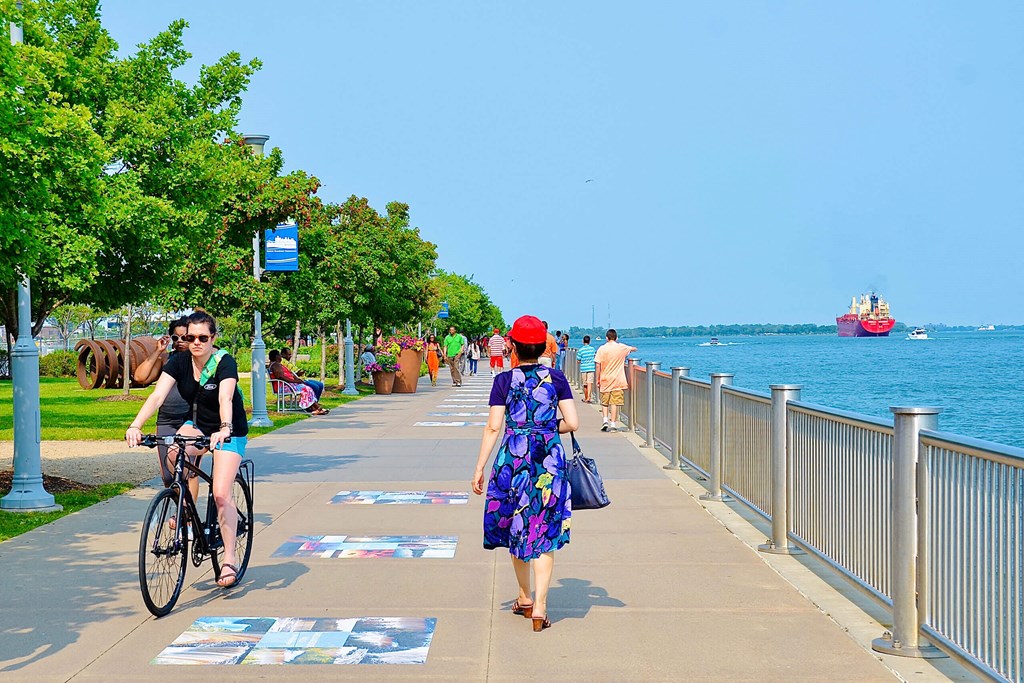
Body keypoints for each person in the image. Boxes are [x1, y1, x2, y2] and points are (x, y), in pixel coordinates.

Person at [125, 311, 248, 588]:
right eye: (190, 337)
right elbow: (157, 395)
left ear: (213, 338)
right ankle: (186, 513)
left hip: (229, 430)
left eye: (203, 338)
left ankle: (229, 558)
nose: (196, 343)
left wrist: (225, 427)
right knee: (173, 453)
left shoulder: (224, 362)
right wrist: (135, 425)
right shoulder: (180, 361)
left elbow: (225, 397)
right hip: (198, 426)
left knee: (219, 493)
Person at [472, 315, 579, 633]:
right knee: (544, 532)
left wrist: (479, 467)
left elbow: (493, 426)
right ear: (543, 345)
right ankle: (541, 609)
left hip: (513, 463)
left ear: (514, 347)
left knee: (518, 525)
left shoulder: (503, 381)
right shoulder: (556, 378)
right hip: (548, 460)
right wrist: (545, 430)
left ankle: (524, 597)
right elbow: (572, 423)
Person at [152, 317, 191, 486]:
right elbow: (140, 377)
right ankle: (180, 508)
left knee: (186, 473)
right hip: (166, 419)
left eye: (185, 337)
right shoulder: (166, 359)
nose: (180, 341)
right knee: (168, 477)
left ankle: (185, 512)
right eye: (176, 338)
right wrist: (157, 352)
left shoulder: (200, 360)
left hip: (190, 420)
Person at [594, 328, 637, 432]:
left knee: (605, 402)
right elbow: (634, 348)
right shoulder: (621, 347)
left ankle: (605, 420)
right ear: (616, 337)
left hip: (605, 379)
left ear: (606, 338)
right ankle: (613, 424)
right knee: (614, 402)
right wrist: (629, 350)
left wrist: (597, 378)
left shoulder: (602, 349)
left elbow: (597, 365)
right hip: (618, 380)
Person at [269, 350, 329, 415]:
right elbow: (281, 377)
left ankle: (315, 409)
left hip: (287, 385)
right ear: (276, 356)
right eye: (279, 355)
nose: (281, 357)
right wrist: (295, 381)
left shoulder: (277, 364)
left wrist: (296, 379)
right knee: (306, 389)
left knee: (307, 389)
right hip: (283, 386)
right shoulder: (275, 365)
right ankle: (317, 408)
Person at [577, 335, 597, 404]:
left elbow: (578, 360)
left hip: (583, 368)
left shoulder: (581, 350)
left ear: (583, 341)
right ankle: (588, 397)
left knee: (584, 383)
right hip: (591, 367)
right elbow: (595, 357)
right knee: (589, 383)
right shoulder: (592, 349)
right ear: (589, 341)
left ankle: (586, 397)